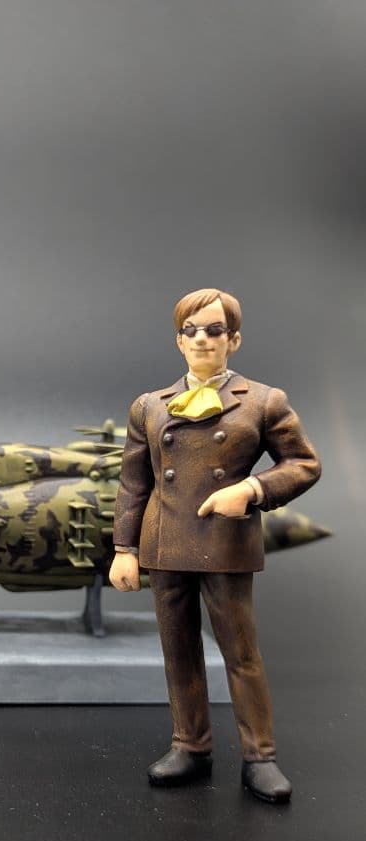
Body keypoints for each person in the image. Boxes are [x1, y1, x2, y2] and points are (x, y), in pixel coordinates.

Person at [109, 288, 321, 803]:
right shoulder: (149, 406)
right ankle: (190, 745)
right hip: (165, 542)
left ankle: (260, 756)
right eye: (192, 331)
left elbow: (303, 463)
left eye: (214, 330)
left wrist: (251, 489)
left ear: (234, 339)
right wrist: (124, 549)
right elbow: (134, 483)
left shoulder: (264, 401)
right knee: (178, 651)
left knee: (240, 653)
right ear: (179, 341)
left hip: (225, 542)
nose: (202, 339)